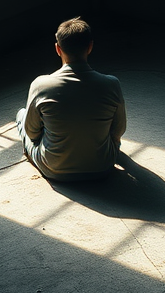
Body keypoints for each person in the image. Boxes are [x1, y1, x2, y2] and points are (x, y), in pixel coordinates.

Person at [16, 17, 126, 182]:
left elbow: (32, 133)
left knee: (21, 115)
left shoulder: (40, 85)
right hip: (102, 166)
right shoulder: (111, 84)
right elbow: (118, 131)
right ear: (90, 47)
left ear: (58, 49)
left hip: (54, 168)